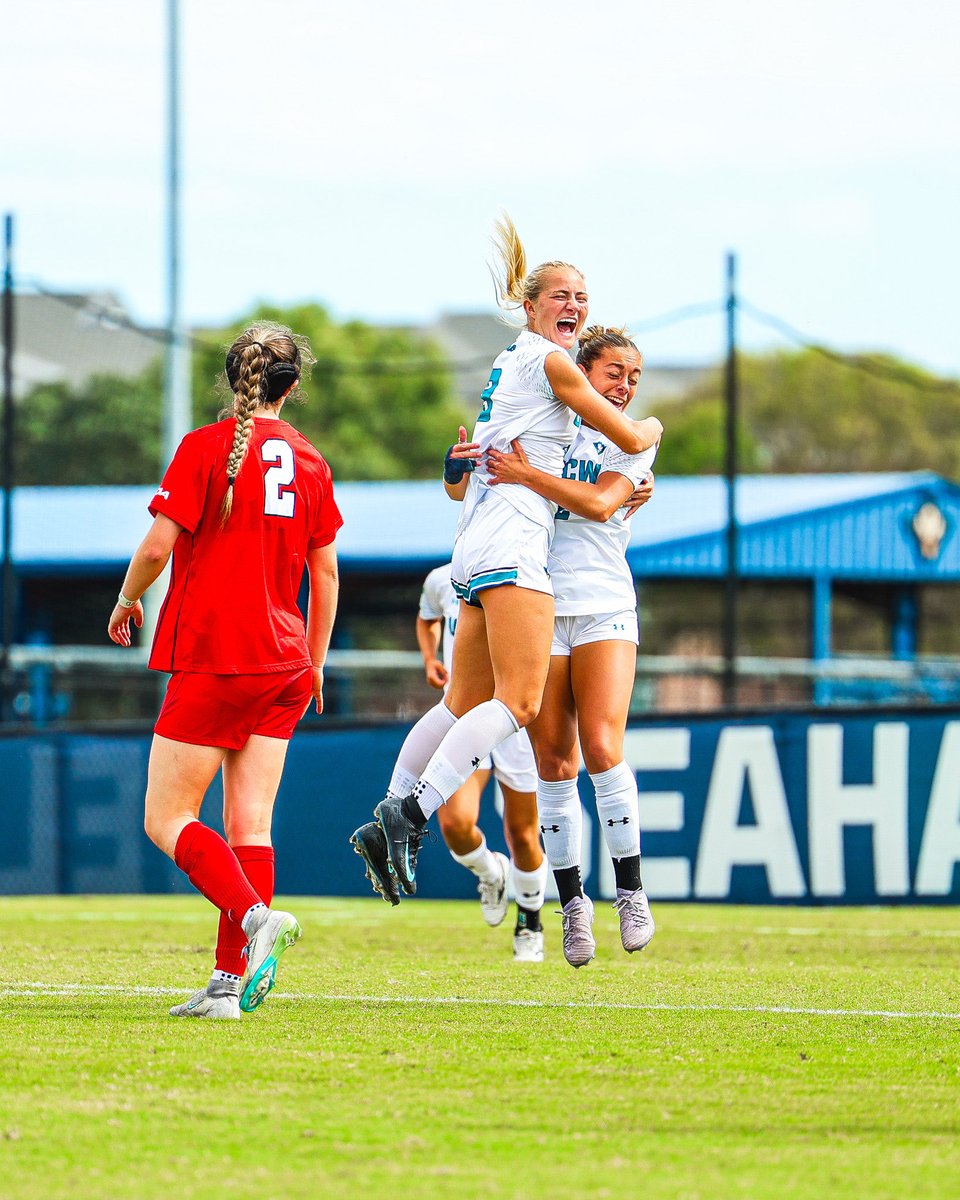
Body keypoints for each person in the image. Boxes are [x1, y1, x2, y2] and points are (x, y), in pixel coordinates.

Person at [350, 214, 662, 906]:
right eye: (560, 296)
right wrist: (651, 433)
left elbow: (465, 472)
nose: (574, 306)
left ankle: (391, 808)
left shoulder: (508, 361)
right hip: (514, 545)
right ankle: (410, 817)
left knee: (460, 702)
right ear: (530, 306)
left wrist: (458, 470)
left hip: (473, 543)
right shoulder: (551, 363)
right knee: (518, 704)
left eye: (582, 297)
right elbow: (630, 431)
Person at [107, 323, 341, 1019]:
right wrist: (316, 661)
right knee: (251, 825)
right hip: (285, 661)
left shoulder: (205, 448)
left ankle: (252, 915)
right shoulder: (310, 461)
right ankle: (226, 987)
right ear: (291, 387)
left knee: (166, 817)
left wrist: (124, 602)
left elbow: (155, 548)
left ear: (230, 379)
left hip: (218, 656)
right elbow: (325, 573)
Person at [485, 326, 657, 968]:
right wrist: (468, 469)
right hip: (542, 603)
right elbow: (469, 479)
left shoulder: (635, 437)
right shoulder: (542, 421)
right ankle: (574, 905)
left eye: (634, 375)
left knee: (604, 748)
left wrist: (528, 475)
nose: (626, 385)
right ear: (580, 375)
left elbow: (596, 502)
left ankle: (632, 892)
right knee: (554, 765)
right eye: (614, 372)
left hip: (606, 603)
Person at [416, 562, 546, 962]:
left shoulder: (529, 575)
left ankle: (530, 918)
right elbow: (427, 617)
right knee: (454, 825)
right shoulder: (443, 579)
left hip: (514, 718)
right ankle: (491, 874)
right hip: (465, 717)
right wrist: (429, 657)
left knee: (523, 834)